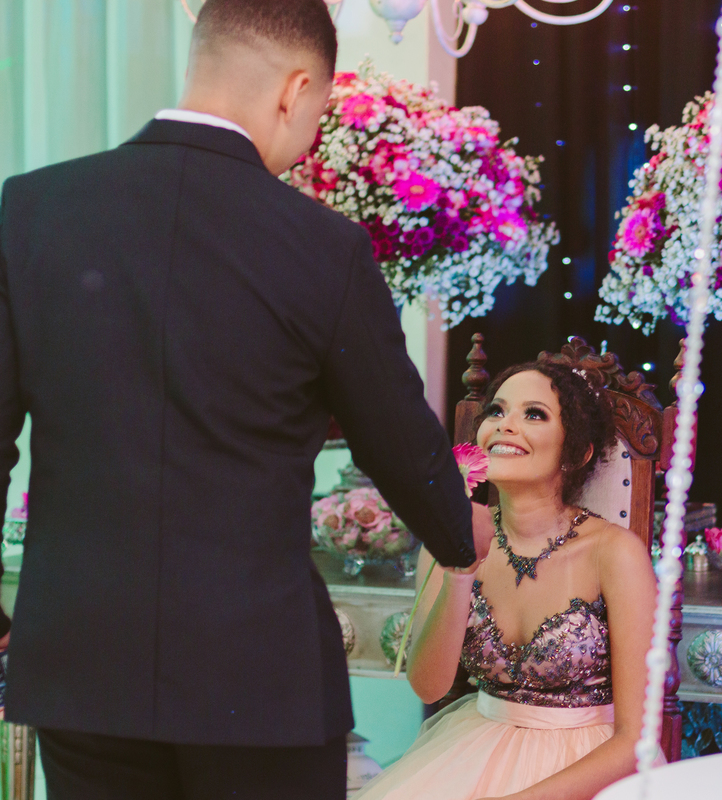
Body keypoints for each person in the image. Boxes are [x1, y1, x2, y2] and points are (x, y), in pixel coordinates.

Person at [0, 1, 489, 797]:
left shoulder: (31, 212)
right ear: (296, 91)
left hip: (82, 663)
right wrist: (465, 539)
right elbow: (398, 440)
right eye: (319, 115)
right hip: (256, 677)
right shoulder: (323, 247)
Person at [353, 360, 660, 800]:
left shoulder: (614, 553)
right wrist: (461, 570)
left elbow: (637, 741)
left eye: (533, 414)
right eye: (496, 412)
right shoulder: (449, 537)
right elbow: (428, 686)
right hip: (474, 751)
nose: (505, 426)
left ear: (577, 452)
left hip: (592, 770)